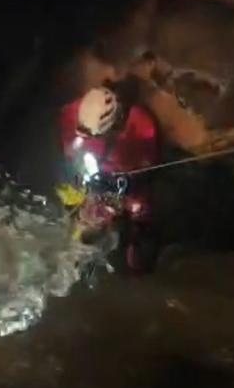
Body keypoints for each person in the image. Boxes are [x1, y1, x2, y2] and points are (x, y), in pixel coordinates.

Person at [57, 84, 160, 273]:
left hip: (121, 178)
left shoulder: (140, 127)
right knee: (71, 200)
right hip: (88, 173)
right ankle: (76, 247)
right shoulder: (73, 113)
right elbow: (69, 152)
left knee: (140, 210)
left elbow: (144, 167)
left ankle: (135, 247)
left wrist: (124, 198)